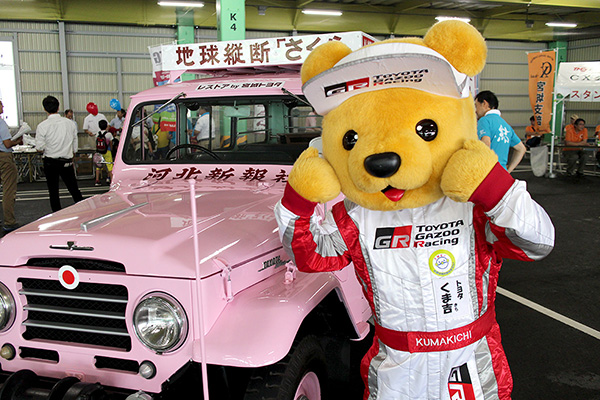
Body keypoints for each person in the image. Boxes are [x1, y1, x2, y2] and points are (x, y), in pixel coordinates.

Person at [35, 96, 83, 212]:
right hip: (67, 161)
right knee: (74, 190)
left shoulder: (42, 126)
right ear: (58, 107)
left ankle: (56, 215)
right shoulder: (70, 123)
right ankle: (85, 213)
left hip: (50, 162)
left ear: (45, 109)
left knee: (53, 192)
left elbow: (39, 147)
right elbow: (75, 144)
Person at [474, 90, 527, 173]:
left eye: (476, 106)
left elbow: (486, 143)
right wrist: (508, 171)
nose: (476, 111)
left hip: (487, 172)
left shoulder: (484, 120)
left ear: (484, 104)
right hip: (501, 174)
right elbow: (521, 149)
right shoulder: (506, 125)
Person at [0, 100, 23, 233]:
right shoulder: (1, 123)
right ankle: (9, 222)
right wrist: (18, 141)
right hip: (4, 157)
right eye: (1, 104)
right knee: (8, 189)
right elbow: (7, 144)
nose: (3, 107)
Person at [94, 119, 114, 186]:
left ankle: (97, 180)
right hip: (107, 151)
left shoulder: (97, 134)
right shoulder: (109, 134)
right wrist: (111, 149)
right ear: (106, 126)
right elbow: (111, 143)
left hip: (99, 152)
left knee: (98, 166)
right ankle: (111, 181)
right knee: (109, 166)